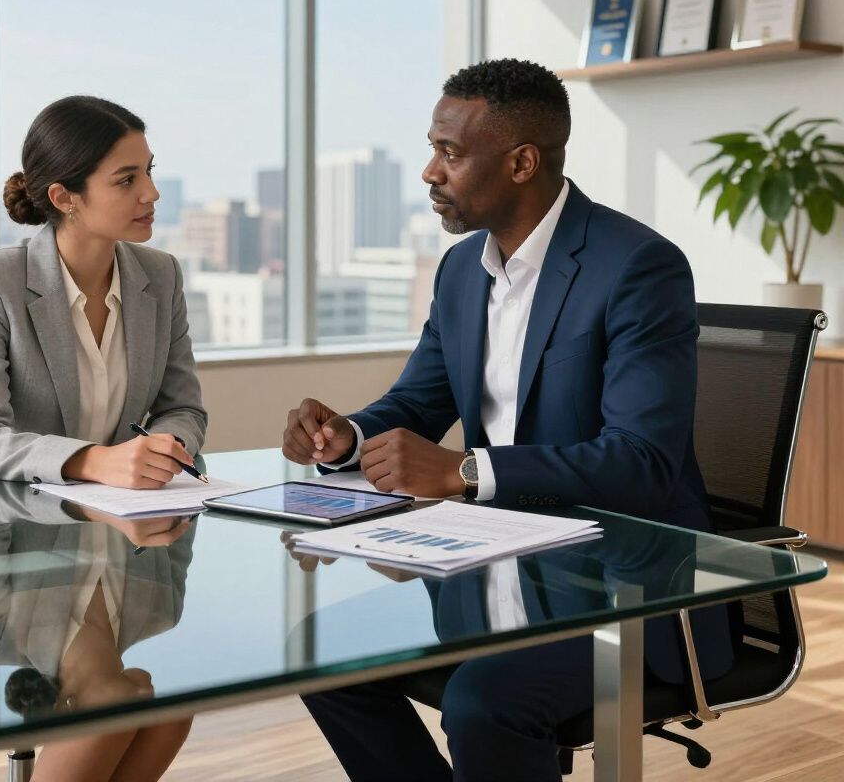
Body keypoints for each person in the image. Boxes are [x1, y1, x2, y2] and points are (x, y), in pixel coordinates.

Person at [282, 58, 732, 782]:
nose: (430, 171)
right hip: (498, 565)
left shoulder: (637, 267)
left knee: (485, 703)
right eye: (433, 148)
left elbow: (643, 463)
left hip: (628, 588)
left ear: (522, 162)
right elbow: (416, 403)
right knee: (321, 653)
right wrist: (349, 436)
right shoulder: (463, 270)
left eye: (449, 153)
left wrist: (463, 472)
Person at [0, 95, 206, 487]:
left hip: (124, 518)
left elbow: (183, 407)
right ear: (64, 197)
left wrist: (163, 449)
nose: (151, 193)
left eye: (149, 171)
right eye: (127, 179)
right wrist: (93, 462)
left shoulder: (161, 274)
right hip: (6, 520)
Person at [0, 478, 196, 781]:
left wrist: (88, 499)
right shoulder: (160, 608)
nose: (149, 688)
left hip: (15, 474)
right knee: (171, 716)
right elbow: (189, 487)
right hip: (22, 452)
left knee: (165, 717)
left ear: (67, 707)